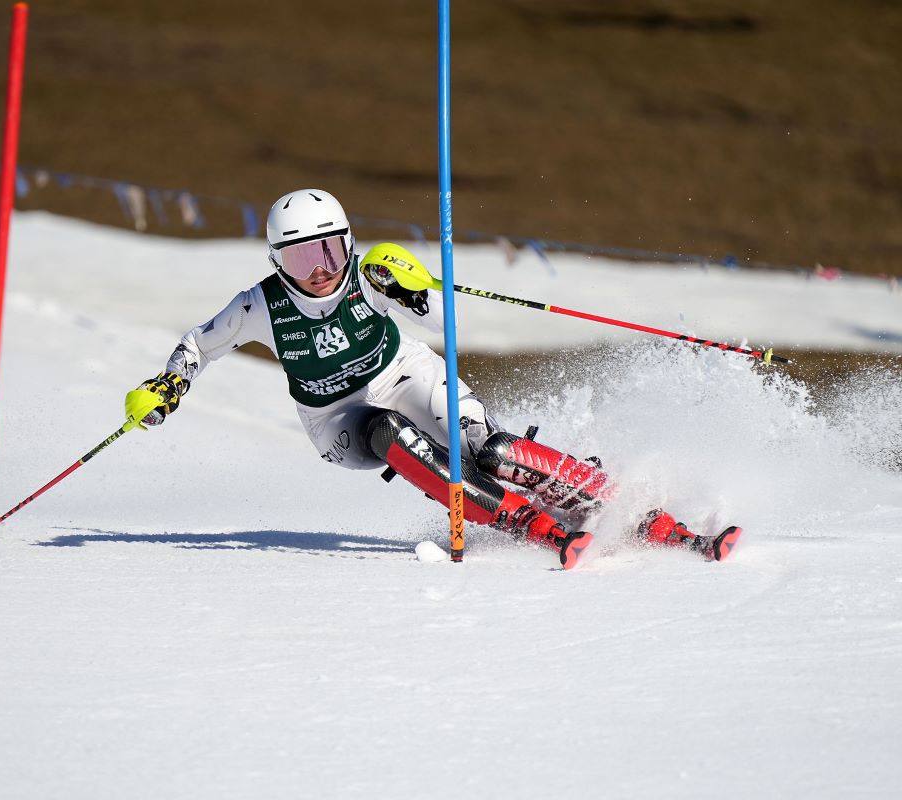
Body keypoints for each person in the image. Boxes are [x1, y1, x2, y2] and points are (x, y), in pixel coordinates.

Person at [124, 189, 739, 567]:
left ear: (348, 244)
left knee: (488, 447)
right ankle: (531, 524)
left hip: (403, 371)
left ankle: (629, 508)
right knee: (390, 434)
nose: (319, 271)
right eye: (300, 258)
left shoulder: (367, 275)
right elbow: (197, 346)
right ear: (275, 260)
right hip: (337, 419)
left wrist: (413, 286)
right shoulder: (259, 304)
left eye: (330, 252)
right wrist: (167, 386)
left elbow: (433, 309)